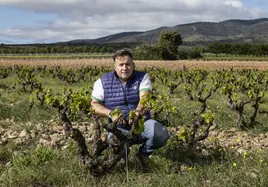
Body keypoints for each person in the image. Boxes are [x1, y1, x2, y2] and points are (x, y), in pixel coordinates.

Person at [91, 48, 169, 172]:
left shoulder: (142, 77)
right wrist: (111, 114)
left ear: (133, 65)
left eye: (128, 64)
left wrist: (137, 112)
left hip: (141, 123)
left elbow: (145, 98)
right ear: (114, 67)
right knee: (120, 153)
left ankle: (143, 154)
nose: (124, 68)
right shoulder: (102, 82)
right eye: (121, 65)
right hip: (118, 127)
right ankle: (121, 157)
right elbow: (94, 105)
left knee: (160, 134)